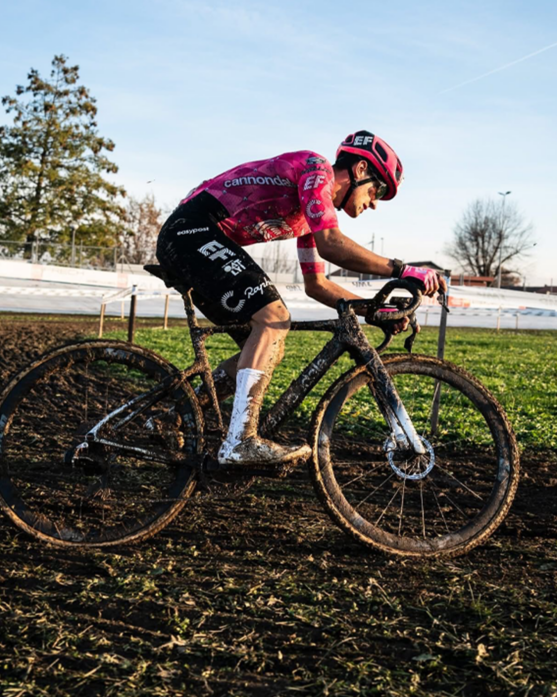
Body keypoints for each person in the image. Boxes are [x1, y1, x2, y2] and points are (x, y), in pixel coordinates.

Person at [156, 130, 446, 466]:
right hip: (191, 230)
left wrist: (373, 310)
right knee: (273, 319)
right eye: (377, 189)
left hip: (193, 237)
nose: (375, 202)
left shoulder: (311, 214)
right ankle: (241, 441)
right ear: (360, 170)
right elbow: (332, 244)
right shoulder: (316, 169)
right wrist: (403, 270)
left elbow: (317, 285)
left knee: (268, 348)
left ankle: (173, 416)